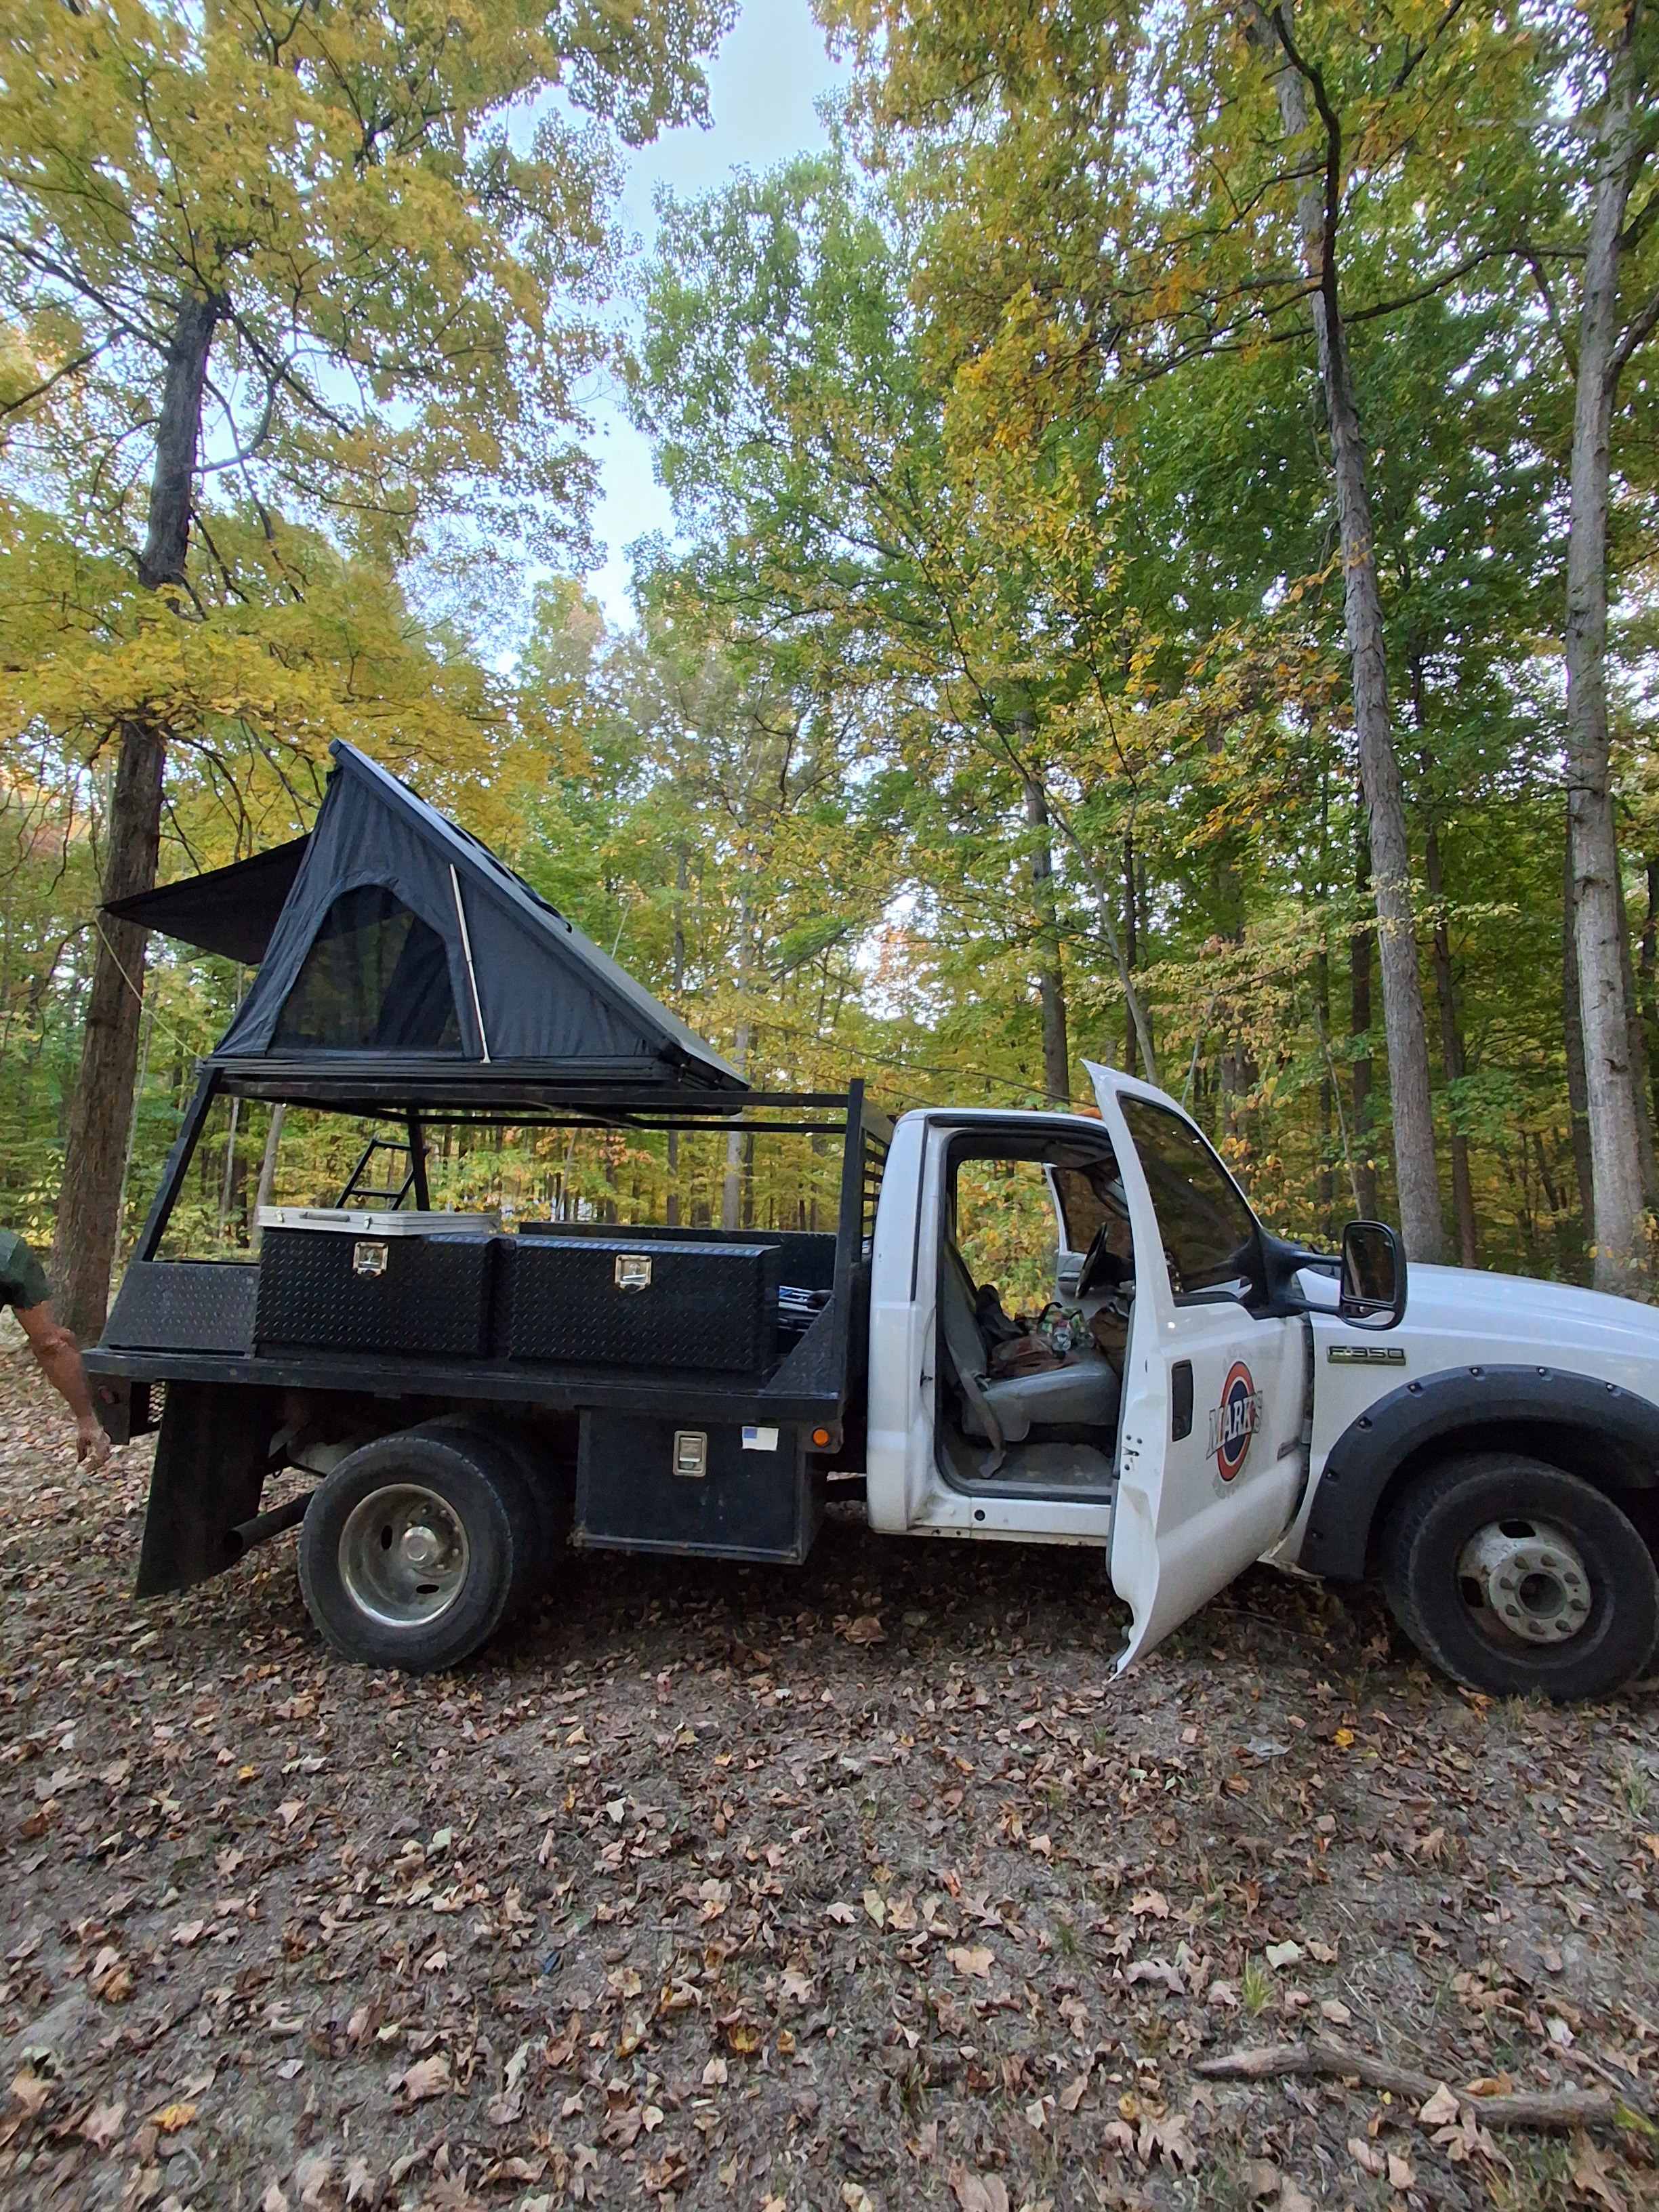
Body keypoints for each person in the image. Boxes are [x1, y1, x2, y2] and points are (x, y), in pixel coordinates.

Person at [1, 1228, 112, 1469]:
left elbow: (50, 1345)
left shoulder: (7, 1254)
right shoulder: (7, 1251)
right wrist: (87, 1420)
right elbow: (50, 1346)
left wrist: (86, 1419)